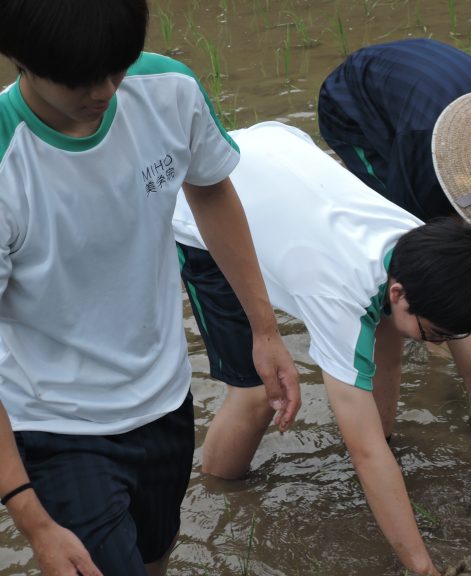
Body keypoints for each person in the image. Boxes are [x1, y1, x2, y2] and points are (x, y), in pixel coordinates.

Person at [173, 96, 471, 573]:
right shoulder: (340, 301)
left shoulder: (425, 252)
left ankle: (387, 432)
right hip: (206, 213)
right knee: (256, 394)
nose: (442, 344)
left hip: (279, 155)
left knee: (389, 336)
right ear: (399, 291)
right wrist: (423, 567)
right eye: (437, 334)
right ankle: (222, 489)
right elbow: (363, 453)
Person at [0, 2, 299, 575]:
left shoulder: (167, 88)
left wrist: (265, 330)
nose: (106, 91)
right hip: (56, 423)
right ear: (20, 58)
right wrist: (32, 518)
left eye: (118, 68)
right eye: (82, 79)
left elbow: (209, 187)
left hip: (165, 400)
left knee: (156, 555)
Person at [317, 38, 471, 328]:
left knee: (463, 213)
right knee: (404, 224)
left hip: (426, 89)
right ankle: (421, 322)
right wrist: (441, 326)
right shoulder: (423, 147)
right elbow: (417, 242)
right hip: (350, 105)